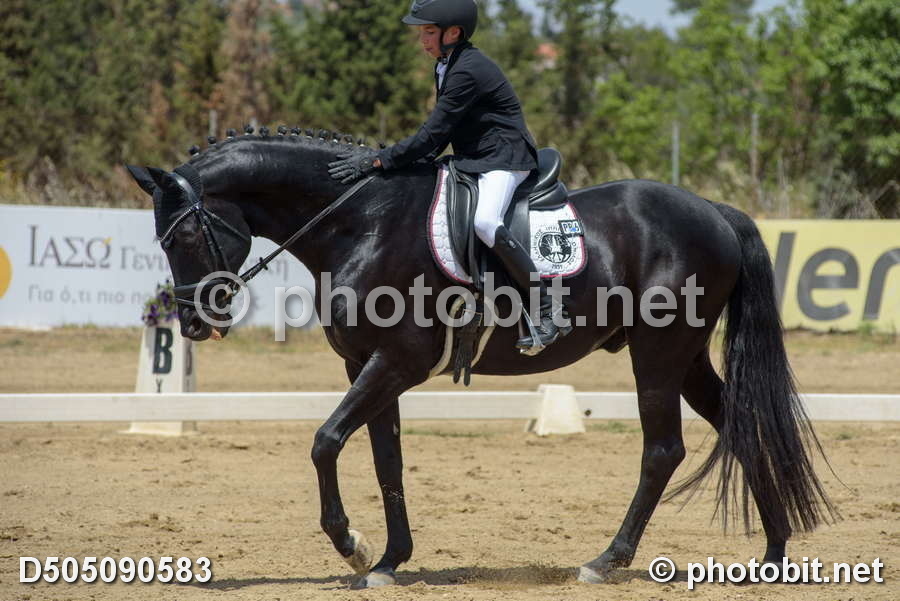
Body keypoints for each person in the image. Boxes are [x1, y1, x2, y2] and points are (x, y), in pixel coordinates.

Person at [328, 0, 568, 353]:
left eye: (429, 32)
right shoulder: (447, 64)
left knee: (486, 222)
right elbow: (442, 133)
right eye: (422, 32)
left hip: (504, 159)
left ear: (453, 33)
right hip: (475, 158)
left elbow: (433, 133)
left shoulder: (467, 69)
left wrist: (380, 160)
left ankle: (548, 308)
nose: (422, 40)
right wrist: (405, 161)